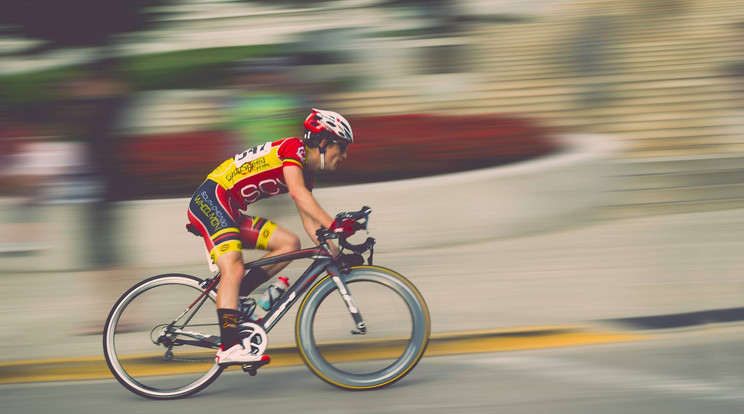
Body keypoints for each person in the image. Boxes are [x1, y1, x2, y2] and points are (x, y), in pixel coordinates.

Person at [186, 108, 354, 366]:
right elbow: (299, 195)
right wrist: (335, 224)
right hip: (212, 199)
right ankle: (229, 347)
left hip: (229, 209)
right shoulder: (294, 148)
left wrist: (336, 253)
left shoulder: (306, 172)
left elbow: (310, 223)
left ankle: (237, 296)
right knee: (233, 267)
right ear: (323, 142)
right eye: (341, 147)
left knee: (289, 243)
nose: (344, 155)